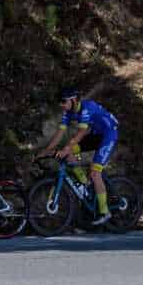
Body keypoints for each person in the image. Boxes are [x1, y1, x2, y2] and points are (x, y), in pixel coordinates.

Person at [38, 92, 121, 222]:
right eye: (60, 102)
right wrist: (46, 150)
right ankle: (83, 181)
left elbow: (81, 132)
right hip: (96, 134)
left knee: (95, 173)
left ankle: (105, 212)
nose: (61, 105)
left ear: (73, 100)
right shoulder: (68, 112)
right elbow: (60, 132)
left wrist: (66, 149)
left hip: (109, 134)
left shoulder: (87, 107)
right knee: (71, 151)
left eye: (63, 101)